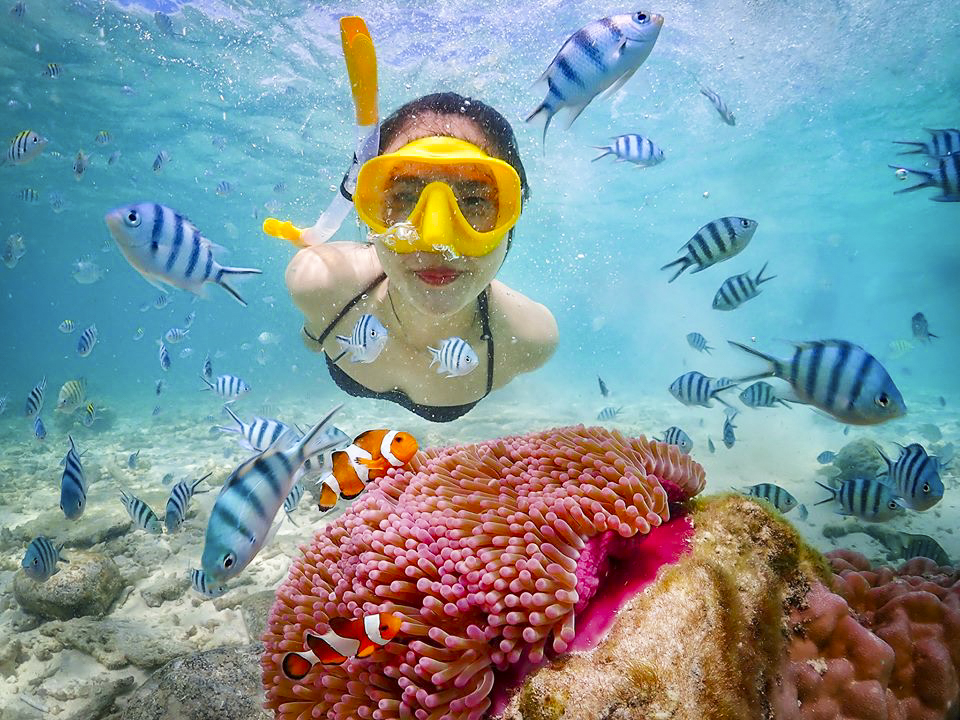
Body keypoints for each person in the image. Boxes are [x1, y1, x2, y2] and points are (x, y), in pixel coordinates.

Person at [286, 92, 557, 422]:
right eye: (403, 197)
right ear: (369, 212)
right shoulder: (319, 281)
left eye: (473, 201)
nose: (436, 240)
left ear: (512, 216)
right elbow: (312, 339)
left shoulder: (530, 340)